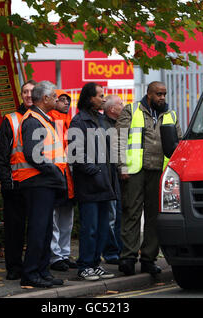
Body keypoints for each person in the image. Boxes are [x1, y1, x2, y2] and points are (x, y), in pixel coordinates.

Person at [116, 81, 182, 276]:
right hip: (135, 170)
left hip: (159, 171)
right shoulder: (132, 110)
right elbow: (119, 139)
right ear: (149, 94)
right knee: (132, 213)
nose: (162, 97)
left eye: (164, 94)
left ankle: (148, 259)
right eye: (158, 94)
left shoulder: (171, 115)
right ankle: (128, 258)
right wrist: (122, 166)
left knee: (154, 217)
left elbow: (177, 144)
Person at [13, 81, 68, 288]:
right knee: (38, 229)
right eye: (54, 96)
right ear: (45, 99)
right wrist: (54, 171)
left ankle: (42, 271)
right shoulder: (34, 120)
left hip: (45, 181)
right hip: (37, 181)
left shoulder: (43, 119)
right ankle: (31, 273)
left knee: (44, 230)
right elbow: (33, 154)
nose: (57, 99)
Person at [68, 82, 120, 281]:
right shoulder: (79, 121)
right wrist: (95, 171)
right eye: (100, 95)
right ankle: (84, 265)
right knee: (89, 228)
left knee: (101, 228)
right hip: (90, 184)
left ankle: (95, 264)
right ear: (90, 98)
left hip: (105, 183)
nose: (104, 99)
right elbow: (76, 153)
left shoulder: (101, 119)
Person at [0, 80, 37, 280]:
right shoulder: (10, 120)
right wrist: (6, 182)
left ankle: (33, 266)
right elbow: (1, 155)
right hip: (16, 183)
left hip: (38, 184)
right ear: (21, 95)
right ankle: (14, 268)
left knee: (37, 229)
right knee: (14, 231)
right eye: (25, 92)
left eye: (32, 91)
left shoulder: (46, 118)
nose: (28, 95)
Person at [47, 89, 77, 272]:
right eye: (62, 99)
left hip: (68, 177)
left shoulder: (69, 122)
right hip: (56, 175)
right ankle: (55, 256)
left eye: (68, 100)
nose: (66, 102)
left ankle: (63, 254)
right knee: (55, 219)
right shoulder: (50, 120)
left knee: (66, 218)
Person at [101, 95, 124, 265]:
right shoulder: (104, 126)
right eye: (120, 104)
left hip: (118, 177)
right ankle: (111, 252)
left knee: (118, 217)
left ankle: (119, 250)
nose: (123, 106)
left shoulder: (118, 125)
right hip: (109, 178)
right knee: (111, 217)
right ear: (112, 109)